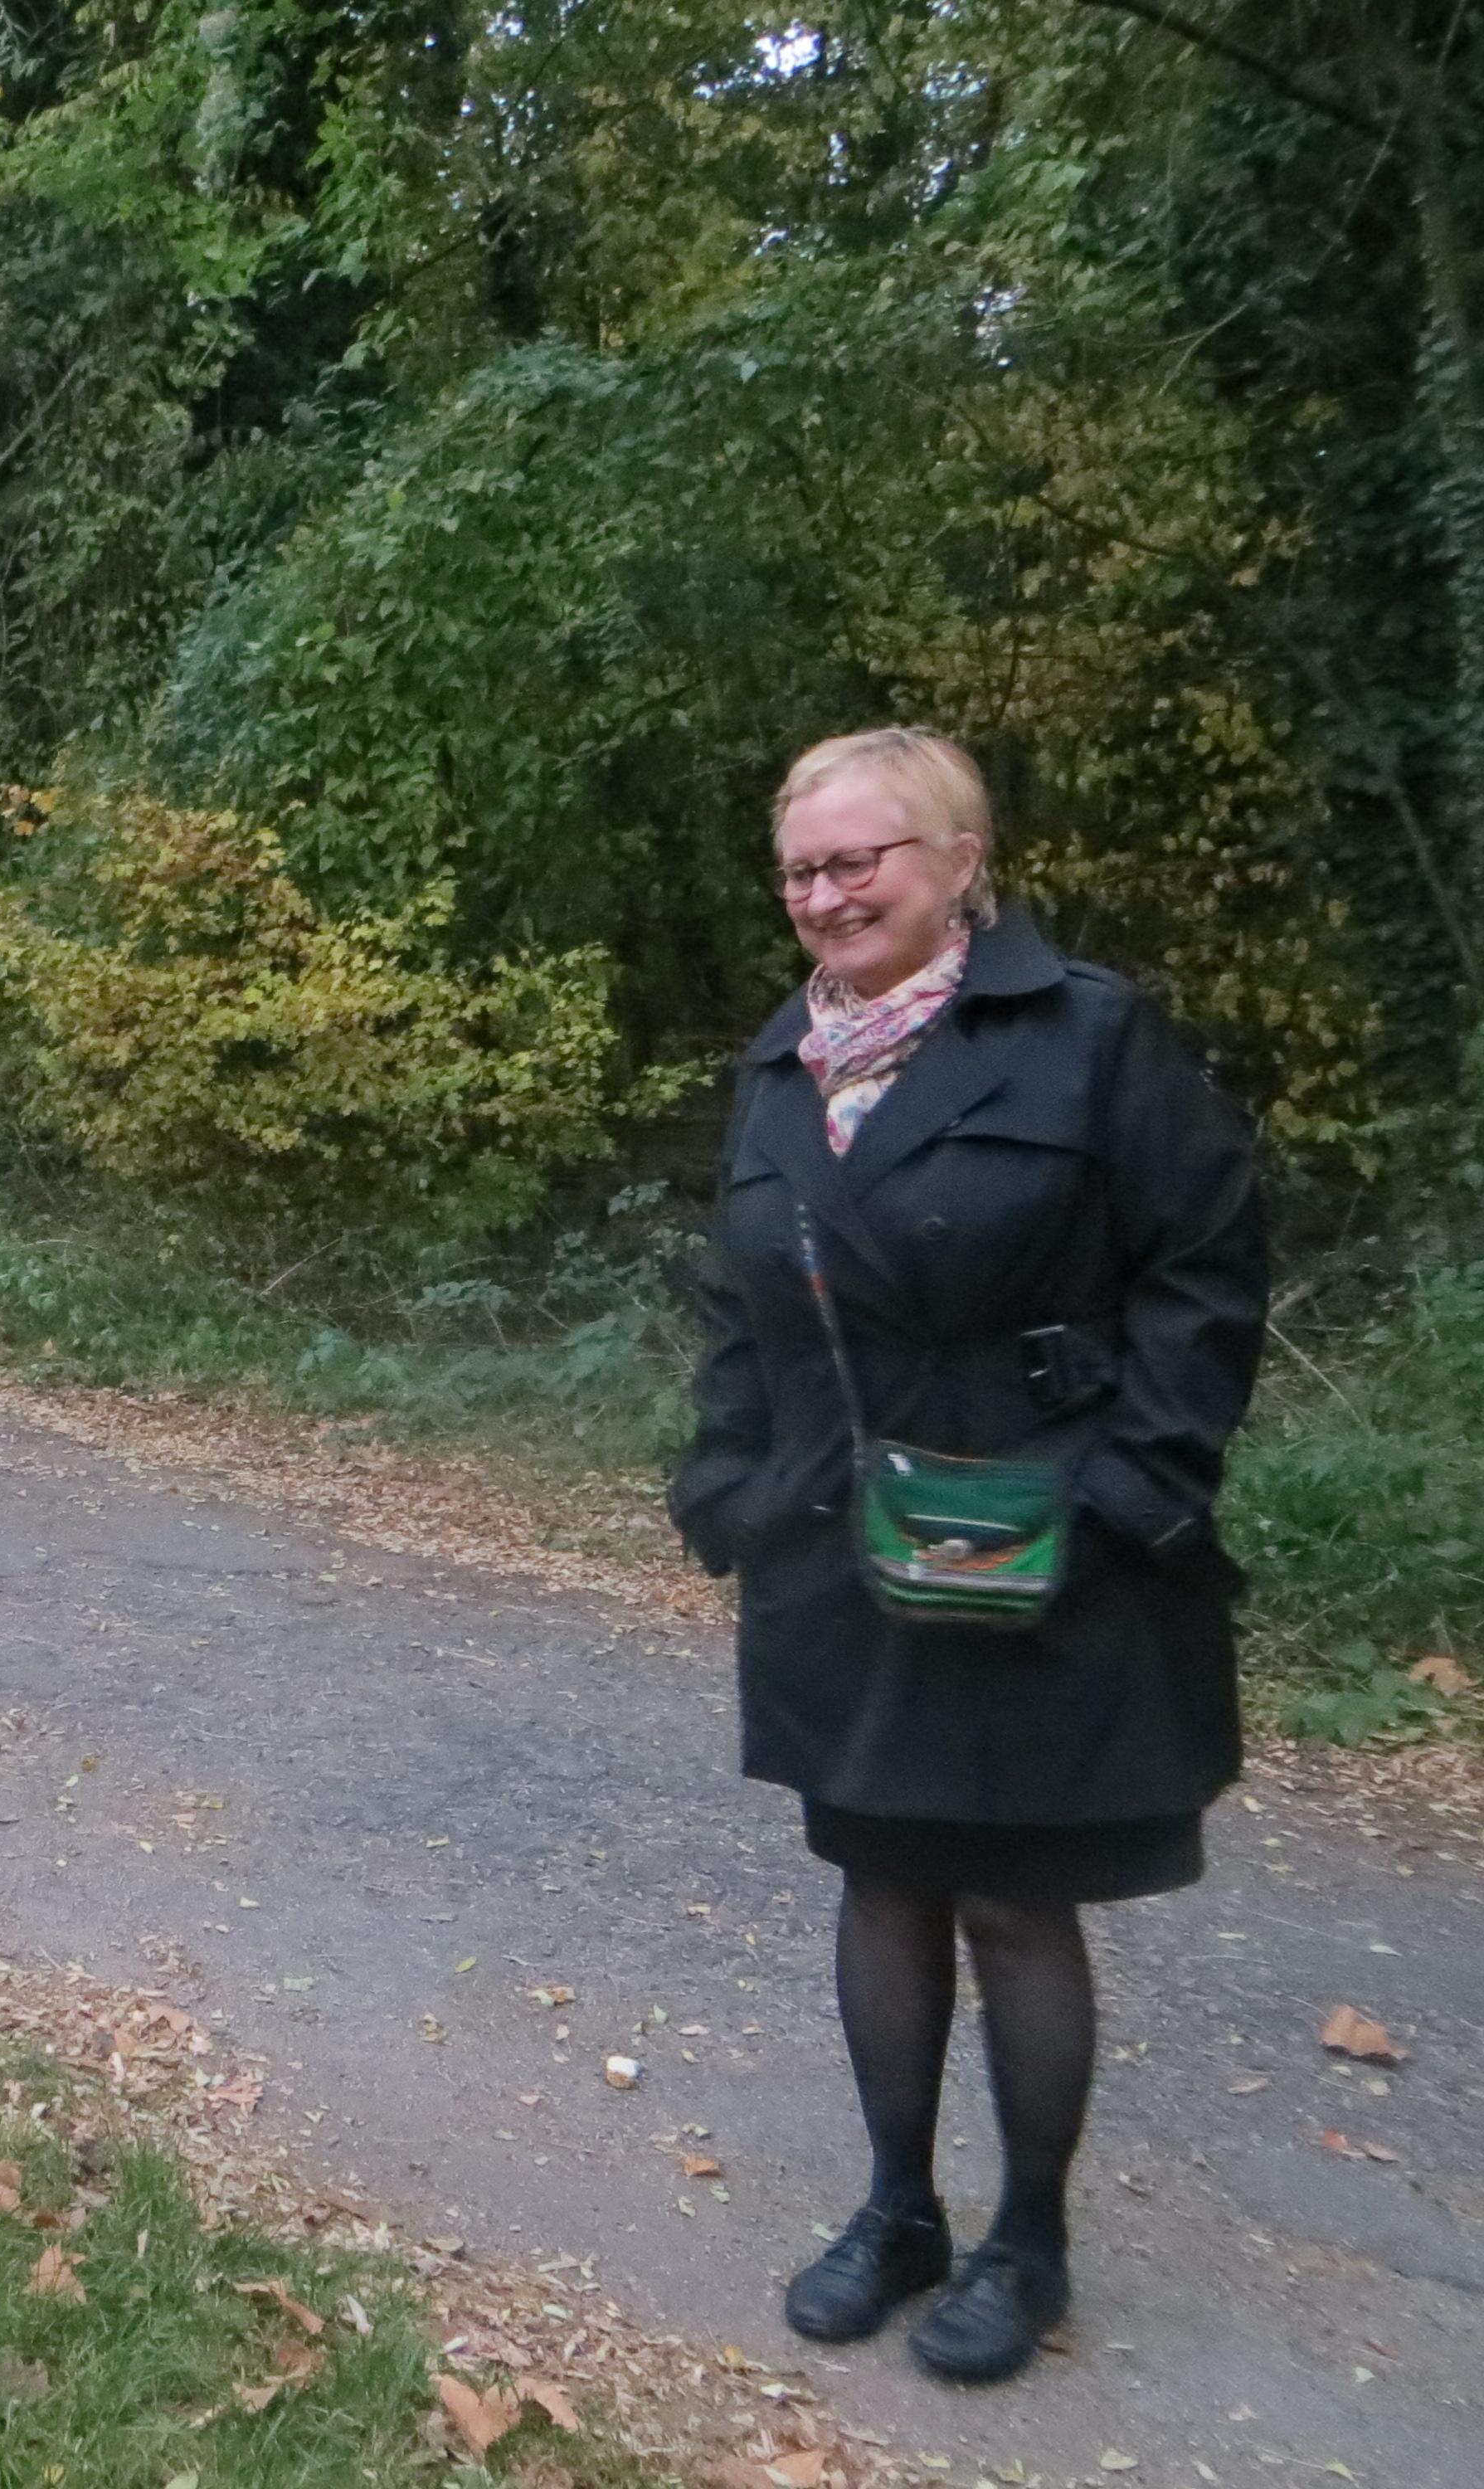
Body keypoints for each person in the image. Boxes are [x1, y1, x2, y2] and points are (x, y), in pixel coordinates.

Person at [671, 727, 1264, 2385]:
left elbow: (1207, 1268)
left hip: (1039, 1539)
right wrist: (726, 1474)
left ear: (958, 861)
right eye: (800, 869)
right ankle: (897, 2213)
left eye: (857, 859)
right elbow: (738, 1305)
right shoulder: (782, 1065)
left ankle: (1028, 2242)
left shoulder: (1089, 1036)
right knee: (882, 1875)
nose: (824, 894)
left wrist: (1129, 1491)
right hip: (837, 1544)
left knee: (1011, 1895)